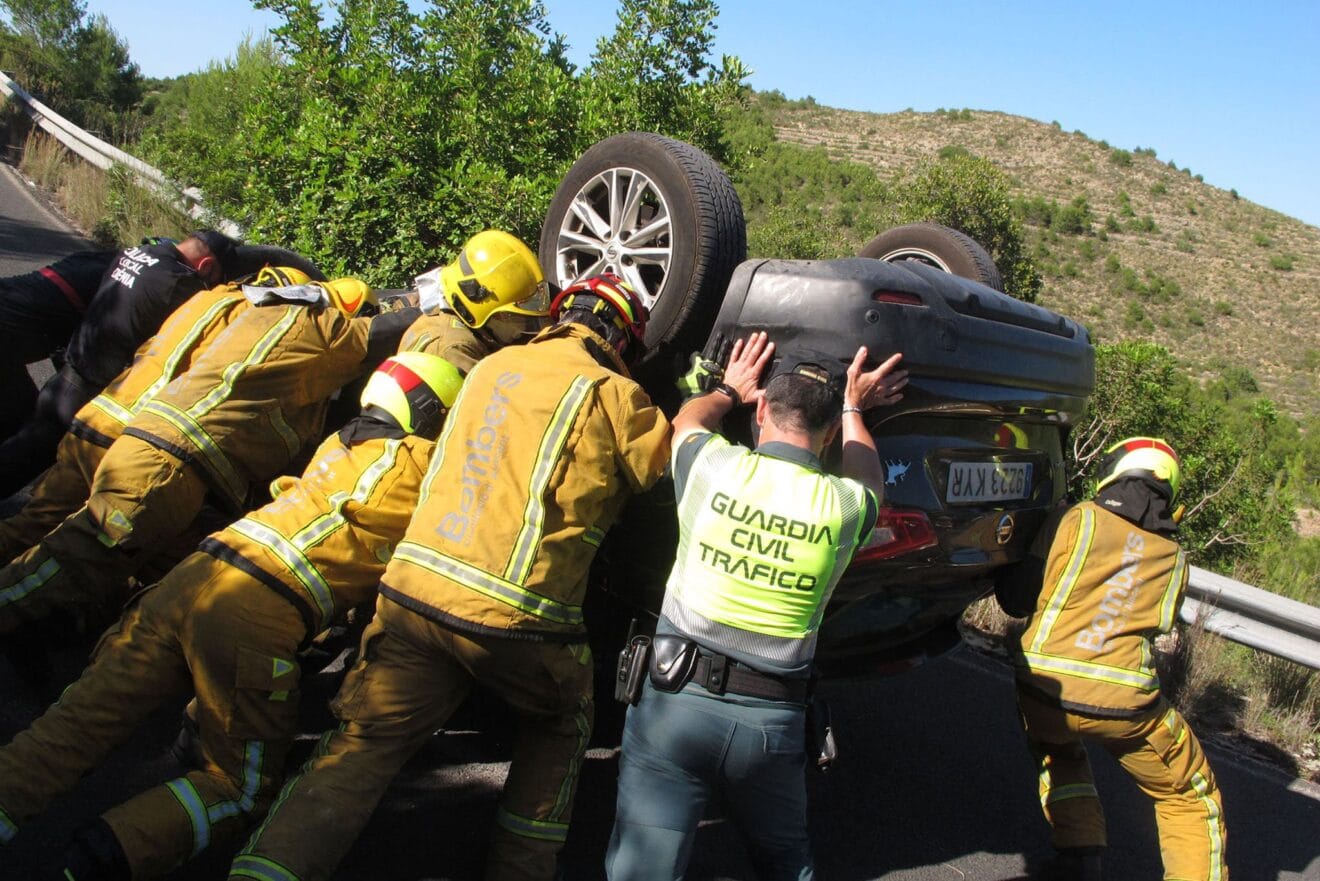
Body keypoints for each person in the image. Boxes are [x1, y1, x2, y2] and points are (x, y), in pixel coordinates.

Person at [228, 274, 671, 881]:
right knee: (560, 725)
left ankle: (263, 872)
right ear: (625, 339)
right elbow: (668, 478)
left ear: (560, 315)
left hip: (412, 597)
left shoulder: (492, 367)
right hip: (520, 623)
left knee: (360, 751)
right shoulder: (617, 394)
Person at [0, 353, 462, 881]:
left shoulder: (340, 444)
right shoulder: (427, 473)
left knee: (75, 726)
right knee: (238, 788)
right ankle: (105, 856)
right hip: (254, 613)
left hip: (191, 577)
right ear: (433, 415)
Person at [604, 332, 908, 881]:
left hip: (673, 705)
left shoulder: (712, 467)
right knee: (786, 862)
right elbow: (867, 475)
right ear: (830, 433)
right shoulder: (843, 509)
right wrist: (854, 405)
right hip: (770, 727)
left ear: (763, 407)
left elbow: (687, 423)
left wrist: (727, 389)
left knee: (641, 871)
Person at [0, 276, 419, 641]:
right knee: (64, 564)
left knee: (150, 566)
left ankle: (69, 631)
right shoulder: (321, 326)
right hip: (165, 469)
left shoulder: (260, 321)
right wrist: (442, 299)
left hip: (149, 450)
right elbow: (381, 331)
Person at [1010, 437, 1227, 881]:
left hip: (1042, 692)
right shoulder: (1174, 558)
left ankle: (1079, 856)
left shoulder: (1077, 518)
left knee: (1058, 748)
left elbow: (1016, 598)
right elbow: (1159, 627)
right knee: (1189, 793)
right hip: (1124, 705)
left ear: (1116, 470)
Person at [0, 266, 311, 561]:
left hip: (99, 414)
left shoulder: (207, 299)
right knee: (81, 549)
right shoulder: (250, 330)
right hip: (133, 439)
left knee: (37, 519)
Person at [0, 230, 239, 498]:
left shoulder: (136, 253)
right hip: (86, 395)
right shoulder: (180, 283)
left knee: (21, 438)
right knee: (22, 464)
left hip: (65, 375)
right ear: (206, 265)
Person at [399, 228, 550, 374]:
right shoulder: (454, 350)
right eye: (514, 317)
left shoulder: (448, 316)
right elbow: (486, 398)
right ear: (480, 307)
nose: (521, 328)